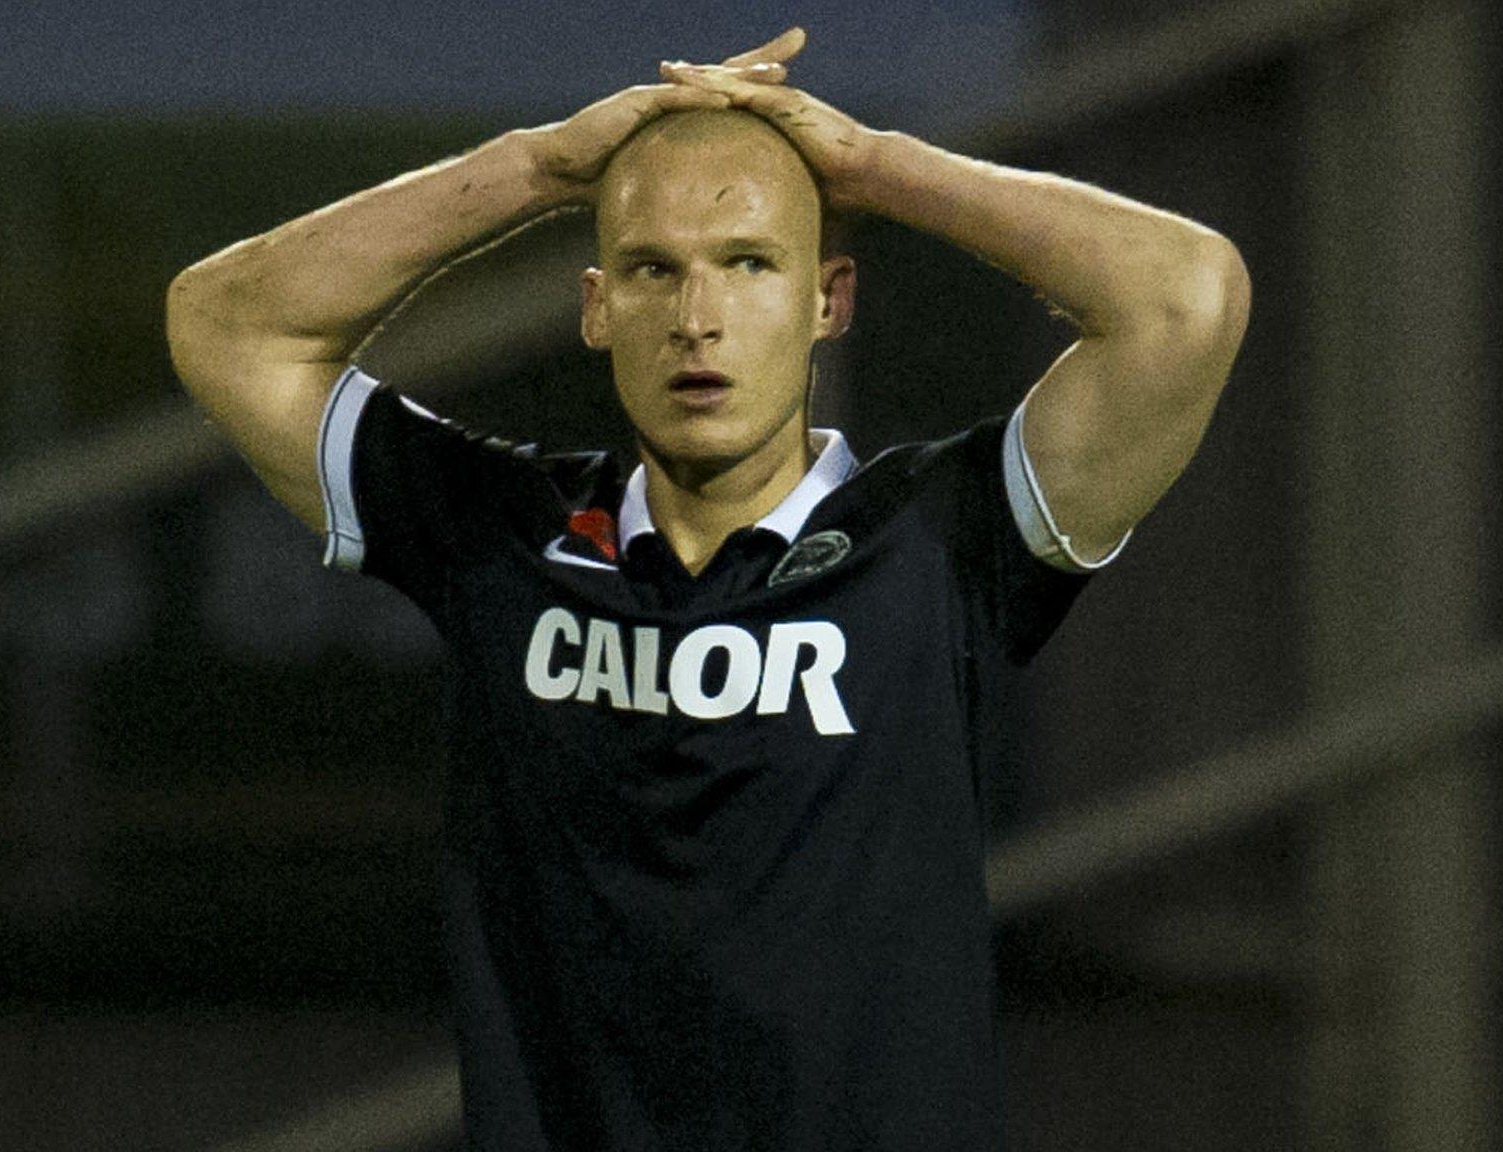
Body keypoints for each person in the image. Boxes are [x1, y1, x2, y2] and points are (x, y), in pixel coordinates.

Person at [166, 27, 1248, 1151]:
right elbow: (227, 321)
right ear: (594, 308)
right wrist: (537, 169)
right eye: (651, 268)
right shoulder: (497, 537)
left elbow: (1183, 298)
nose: (697, 319)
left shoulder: (937, 540)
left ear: (829, 298)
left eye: (747, 262)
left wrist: (873, 167)